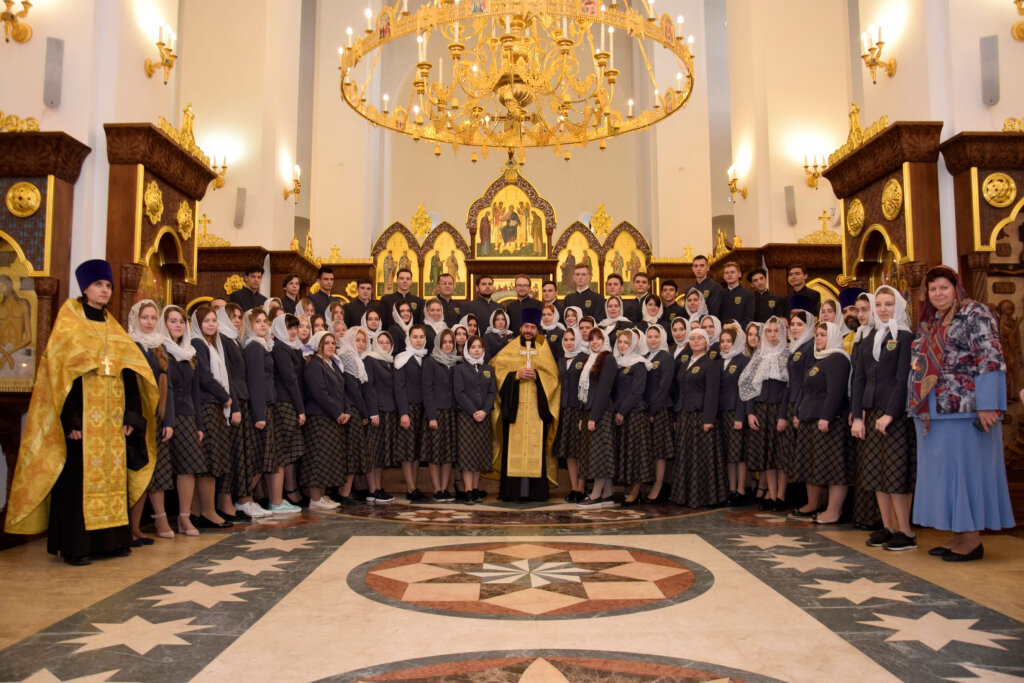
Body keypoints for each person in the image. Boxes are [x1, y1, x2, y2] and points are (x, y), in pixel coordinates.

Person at [6, 260, 159, 565]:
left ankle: (111, 541)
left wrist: (132, 416)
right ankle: (77, 546)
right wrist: (71, 419)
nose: (105, 291)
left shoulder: (113, 329)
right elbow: (61, 377)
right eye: (99, 285)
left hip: (113, 420)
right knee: (78, 482)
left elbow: (129, 373)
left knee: (114, 478)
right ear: (85, 288)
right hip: (83, 421)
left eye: (108, 286)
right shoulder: (69, 325)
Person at [910, 266, 1015, 560]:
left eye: (944, 287)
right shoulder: (931, 320)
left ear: (956, 287)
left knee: (965, 474)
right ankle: (959, 535)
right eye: (932, 289)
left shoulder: (974, 312)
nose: (938, 294)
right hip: (935, 412)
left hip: (965, 410)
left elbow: (991, 357)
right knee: (945, 475)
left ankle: (971, 539)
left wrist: (989, 404)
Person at [851, 286, 917, 547]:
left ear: (898, 306)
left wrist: (890, 414)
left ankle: (906, 531)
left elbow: (903, 380)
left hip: (895, 414)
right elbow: (859, 378)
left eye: (888, 304)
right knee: (876, 473)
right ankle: (888, 527)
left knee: (895, 474)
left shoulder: (905, 337)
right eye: (878, 304)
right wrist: (858, 415)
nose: (882, 309)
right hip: (871, 412)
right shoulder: (870, 338)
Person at [490, 307, 560, 502]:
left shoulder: (544, 349)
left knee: (535, 448)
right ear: (520, 327)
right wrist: (516, 375)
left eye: (533, 327)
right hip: (515, 409)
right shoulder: (510, 348)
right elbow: (497, 370)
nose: (529, 330)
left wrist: (538, 376)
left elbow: (553, 377)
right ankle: (511, 493)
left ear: (537, 329)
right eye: (526, 326)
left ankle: (536, 493)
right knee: (513, 449)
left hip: (537, 410)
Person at [127, 300, 175, 543]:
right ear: (136, 319)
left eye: (152, 318)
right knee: (139, 473)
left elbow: (169, 387)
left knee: (155, 473)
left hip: (158, 415)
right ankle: (132, 527)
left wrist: (169, 421)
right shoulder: (130, 345)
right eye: (144, 317)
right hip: (139, 417)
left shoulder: (159, 345)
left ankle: (141, 525)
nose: (148, 322)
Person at [797, 322, 852, 525]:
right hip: (810, 418)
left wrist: (826, 417)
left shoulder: (837, 358)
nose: (818, 338)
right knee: (816, 465)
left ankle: (834, 511)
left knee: (834, 468)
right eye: (817, 334)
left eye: (823, 335)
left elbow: (835, 392)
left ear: (835, 336)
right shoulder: (818, 358)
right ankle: (817, 504)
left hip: (830, 422)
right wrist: (799, 412)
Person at [187, 306, 234, 530]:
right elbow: (205, 376)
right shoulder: (198, 343)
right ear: (197, 323)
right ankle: (207, 511)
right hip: (207, 405)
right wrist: (225, 395)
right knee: (209, 460)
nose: (211, 324)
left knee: (210, 460)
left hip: (212, 405)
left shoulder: (210, 344)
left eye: (214, 320)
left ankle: (197, 512)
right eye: (206, 321)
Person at [670, 328, 726, 508]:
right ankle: (685, 496)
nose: (695, 341)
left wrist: (709, 419)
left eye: (699, 338)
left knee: (702, 459)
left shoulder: (712, 362)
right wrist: (677, 415)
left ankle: (704, 497)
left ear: (706, 341)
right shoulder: (686, 361)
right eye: (692, 338)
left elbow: (712, 393)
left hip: (701, 414)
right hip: (685, 413)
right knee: (686, 457)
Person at [738, 316, 789, 510]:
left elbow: (788, 389)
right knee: (767, 455)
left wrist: (783, 415)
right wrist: (750, 413)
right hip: (761, 409)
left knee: (780, 456)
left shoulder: (786, 353)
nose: (773, 335)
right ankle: (772, 495)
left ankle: (781, 496)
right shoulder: (759, 355)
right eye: (769, 331)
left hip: (778, 409)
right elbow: (750, 386)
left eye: (777, 331)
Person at [300, 331, 346, 510]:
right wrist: (337, 412)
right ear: (318, 345)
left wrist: (345, 410)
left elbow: (341, 390)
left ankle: (323, 495)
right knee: (317, 457)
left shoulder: (331, 364)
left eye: (333, 343)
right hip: (319, 417)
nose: (330, 346)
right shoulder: (314, 365)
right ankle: (315, 498)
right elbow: (319, 393)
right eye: (326, 343)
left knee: (327, 458)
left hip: (331, 418)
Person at [270, 314, 307, 509]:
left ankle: (291, 491)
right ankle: (280, 496)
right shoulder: (280, 348)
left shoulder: (292, 347)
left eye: (295, 328)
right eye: (290, 328)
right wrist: (300, 409)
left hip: (292, 402)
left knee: (292, 451)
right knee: (284, 452)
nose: (293, 331)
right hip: (284, 402)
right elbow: (290, 380)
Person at [454, 335, 496, 504]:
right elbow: (459, 393)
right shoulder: (460, 369)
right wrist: (474, 411)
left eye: (479, 347)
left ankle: (476, 488)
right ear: (467, 350)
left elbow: (492, 392)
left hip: (484, 417)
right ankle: (468, 490)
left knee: (479, 453)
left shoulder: (488, 368)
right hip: (467, 416)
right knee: (467, 454)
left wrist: (485, 411)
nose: (476, 350)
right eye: (473, 347)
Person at [577, 327, 617, 507]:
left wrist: (594, 416)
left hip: (601, 412)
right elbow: (585, 391)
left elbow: (604, 390)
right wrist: (582, 416)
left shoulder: (608, 359)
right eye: (592, 339)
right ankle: (608, 493)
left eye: (598, 338)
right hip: (589, 411)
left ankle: (595, 494)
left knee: (599, 454)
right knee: (596, 452)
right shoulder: (589, 359)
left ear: (604, 340)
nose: (595, 342)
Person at [780, 308, 815, 514]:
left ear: (808, 326)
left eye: (799, 324)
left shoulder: (810, 347)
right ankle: (805, 499)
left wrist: (799, 411)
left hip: (802, 405)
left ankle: (812, 502)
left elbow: (805, 383)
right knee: (796, 455)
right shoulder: (794, 347)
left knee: (806, 455)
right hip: (792, 402)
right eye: (792, 324)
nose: (794, 328)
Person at [612, 330, 652, 505]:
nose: (622, 345)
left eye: (626, 343)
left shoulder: (639, 364)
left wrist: (621, 412)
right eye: (620, 342)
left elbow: (637, 391)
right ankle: (631, 489)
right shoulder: (618, 363)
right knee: (627, 454)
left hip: (635, 415)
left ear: (634, 345)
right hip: (622, 417)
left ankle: (636, 491)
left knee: (637, 455)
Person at [336, 328, 372, 502]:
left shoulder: (356, 358)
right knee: (352, 453)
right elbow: (354, 390)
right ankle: (344, 493)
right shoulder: (347, 357)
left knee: (354, 453)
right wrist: (365, 413)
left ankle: (348, 490)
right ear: (349, 340)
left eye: (363, 341)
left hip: (354, 410)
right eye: (357, 340)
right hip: (352, 410)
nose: (361, 343)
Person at [423, 328, 459, 501]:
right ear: (438, 343)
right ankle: (437, 489)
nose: (447, 345)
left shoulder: (456, 362)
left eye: (450, 342)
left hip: (451, 413)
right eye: (444, 342)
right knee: (435, 454)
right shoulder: (430, 362)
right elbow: (427, 390)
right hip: (436, 413)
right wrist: (431, 416)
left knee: (448, 454)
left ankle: (445, 488)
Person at [395, 324, 429, 501]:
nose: (418, 340)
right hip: (408, 409)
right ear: (409, 338)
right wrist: (403, 412)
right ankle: (410, 487)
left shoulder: (426, 357)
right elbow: (399, 387)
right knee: (407, 451)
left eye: (421, 337)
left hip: (422, 409)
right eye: (415, 337)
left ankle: (414, 487)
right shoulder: (402, 358)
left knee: (416, 450)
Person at [718, 323, 750, 506]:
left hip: (735, 412)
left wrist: (740, 416)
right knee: (728, 454)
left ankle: (741, 489)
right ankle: (731, 488)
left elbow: (744, 391)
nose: (725, 345)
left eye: (729, 341)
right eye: (722, 341)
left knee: (739, 454)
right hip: (722, 412)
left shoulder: (742, 360)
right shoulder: (719, 361)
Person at [363, 332, 397, 503]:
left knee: (381, 454)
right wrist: (373, 412)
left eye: (387, 342)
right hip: (377, 412)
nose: (384, 345)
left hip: (389, 411)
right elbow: (369, 387)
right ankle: (371, 489)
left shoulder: (389, 361)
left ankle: (377, 487)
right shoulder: (370, 359)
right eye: (381, 342)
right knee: (373, 452)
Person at [553, 328, 586, 502]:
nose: (569, 342)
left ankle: (581, 488)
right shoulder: (560, 360)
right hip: (564, 409)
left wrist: (583, 413)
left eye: (572, 339)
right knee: (570, 453)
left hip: (578, 409)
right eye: (566, 339)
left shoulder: (585, 358)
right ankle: (574, 487)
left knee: (580, 451)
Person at [641, 324, 673, 502]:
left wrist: (653, 410)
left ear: (661, 338)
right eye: (650, 336)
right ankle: (651, 481)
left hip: (660, 409)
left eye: (656, 336)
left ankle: (659, 485)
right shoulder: (645, 356)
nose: (652, 339)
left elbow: (664, 387)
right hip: (646, 410)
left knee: (660, 450)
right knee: (650, 449)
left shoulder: (665, 357)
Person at [720, 262, 754, 328]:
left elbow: (748, 318)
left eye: (732, 272)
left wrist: (736, 329)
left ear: (739, 274)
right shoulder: (720, 294)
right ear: (723, 276)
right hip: (723, 333)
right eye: (726, 273)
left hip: (741, 332)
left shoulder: (748, 294)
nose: (729, 275)